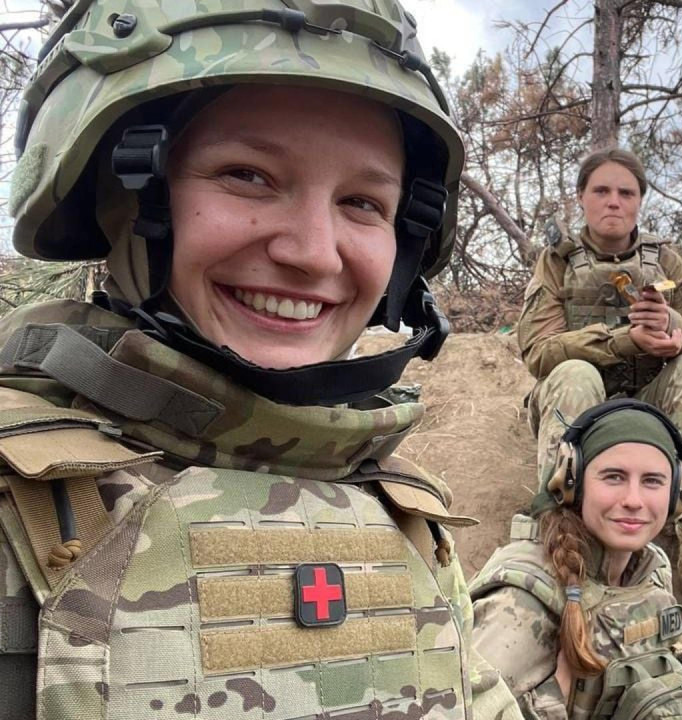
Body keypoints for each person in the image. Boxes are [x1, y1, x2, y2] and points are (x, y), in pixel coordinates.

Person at [0, 3, 519, 718]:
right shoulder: (15, 494)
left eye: (363, 202)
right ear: (127, 191)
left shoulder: (403, 510)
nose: (312, 252)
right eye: (248, 175)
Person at [517, 148, 682, 632]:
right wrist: (621, 342)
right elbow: (538, 353)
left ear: (640, 202)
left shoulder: (668, 260)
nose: (613, 202)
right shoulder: (557, 263)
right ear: (581, 199)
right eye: (601, 191)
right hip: (582, 409)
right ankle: (566, 549)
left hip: (652, 406)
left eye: (626, 193)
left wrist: (676, 329)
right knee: (575, 374)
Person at [469, 399, 682, 720]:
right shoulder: (523, 600)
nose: (633, 500)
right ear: (572, 484)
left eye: (652, 481)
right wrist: (556, 697)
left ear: (676, 493)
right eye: (614, 477)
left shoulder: (650, 568)